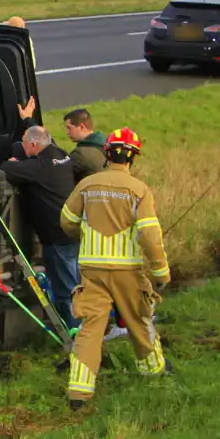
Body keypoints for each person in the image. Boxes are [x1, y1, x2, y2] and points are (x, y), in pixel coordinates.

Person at [59, 127, 172, 410]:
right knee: (139, 320)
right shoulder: (139, 190)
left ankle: (78, 393)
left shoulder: (87, 185)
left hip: (92, 270)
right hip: (127, 271)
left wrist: (85, 236)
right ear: (132, 158)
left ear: (107, 154)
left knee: (90, 328)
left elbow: (67, 220)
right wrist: (161, 271)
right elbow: (149, 235)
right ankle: (154, 369)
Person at [0, 125, 81, 331]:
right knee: (77, 283)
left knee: (66, 290)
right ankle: (83, 327)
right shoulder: (61, 156)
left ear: (34, 145)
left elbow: (6, 169)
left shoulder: (40, 167)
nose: (23, 147)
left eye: (25, 143)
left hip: (56, 237)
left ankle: (76, 333)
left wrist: (13, 162)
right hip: (73, 232)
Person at [63, 108, 108, 182]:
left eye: (69, 128)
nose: (67, 132)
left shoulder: (80, 154)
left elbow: (62, 177)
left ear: (81, 127)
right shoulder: (108, 145)